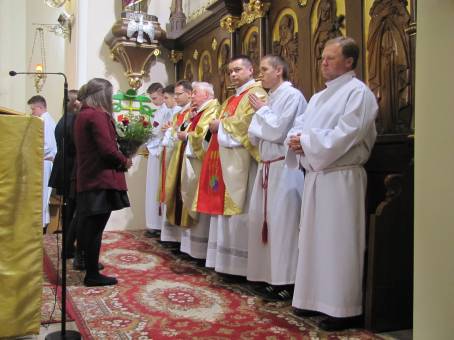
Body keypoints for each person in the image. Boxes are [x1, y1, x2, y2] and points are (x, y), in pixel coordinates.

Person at [286, 37, 378, 331]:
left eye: (330, 58)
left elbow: (346, 134)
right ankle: (314, 299)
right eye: (322, 58)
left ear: (349, 62)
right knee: (314, 240)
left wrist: (307, 143)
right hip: (317, 174)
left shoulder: (357, 94)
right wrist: (298, 140)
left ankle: (342, 308)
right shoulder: (319, 97)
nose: (323, 63)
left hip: (341, 176)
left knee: (338, 242)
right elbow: (301, 125)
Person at [195, 55, 267, 281]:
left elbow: (249, 124)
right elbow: (214, 124)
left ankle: (240, 266)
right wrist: (215, 127)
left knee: (240, 209)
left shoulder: (257, 94)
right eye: (230, 72)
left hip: (242, 162)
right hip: (224, 159)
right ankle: (225, 263)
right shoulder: (229, 100)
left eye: (237, 70)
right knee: (225, 214)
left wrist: (221, 126)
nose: (233, 75)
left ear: (250, 70)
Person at [246, 55, 307, 300]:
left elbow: (279, 131)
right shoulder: (271, 98)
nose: (260, 74)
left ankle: (288, 281)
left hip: (285, 168)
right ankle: (270, 276)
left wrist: (262, 113)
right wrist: (264, 118)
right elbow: (253, 133)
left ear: (279, 70)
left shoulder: (292, 96)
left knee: (284, 225)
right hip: (267, 166)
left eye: (264, 69)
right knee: (264, 222)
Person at [74, 78, 132, 286]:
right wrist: (125, 160)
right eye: (109, 94)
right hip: (100, 178)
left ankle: (87, 264)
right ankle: (92, 274)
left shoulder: (83, 114)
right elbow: (107, 150)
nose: (111, 98)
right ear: (102, 95)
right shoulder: (97, 116)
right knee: (95, 228)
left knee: (89, 225)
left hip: (90, 176)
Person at [178, 82, 219, 260]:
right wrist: (189, 122)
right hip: (193, 161)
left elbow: (204, 136)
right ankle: (191, 248)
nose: (192, 96)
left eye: (195, 93)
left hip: (201, 163)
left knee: (198, 200)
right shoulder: (200, 110)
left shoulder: (212, 109)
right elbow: (189, 129)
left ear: (207, 95)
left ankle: (199, 250)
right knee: (190, 198)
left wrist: (188, 136)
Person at [48, 90, 81, 259]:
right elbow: (77, 146)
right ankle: (69, 247)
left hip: (62, 166)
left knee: (68, 210)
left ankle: (68, 247)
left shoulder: (63, 118)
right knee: (74, 211)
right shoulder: (74, 119)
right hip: (70, 168)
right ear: (75, 102)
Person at [160, 80, 192, 244]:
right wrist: (169, 130)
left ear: (189, 93)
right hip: (174, 154)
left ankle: (179, 239)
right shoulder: (179, 113)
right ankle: (173, 237)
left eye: (179, 94)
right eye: (176, 94)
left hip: (184, 156)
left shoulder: (189, 112)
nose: (176, 97)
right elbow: (175, 131)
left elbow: (183, 132)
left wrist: (171, 132)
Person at [27, 95, 57, 232]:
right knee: (40, 197)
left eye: (33, 109)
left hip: (44, 164)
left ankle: (40, 228)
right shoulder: (45, 120)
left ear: (40, 107)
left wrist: (31, 151)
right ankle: (39, 227)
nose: (31, 112)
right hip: (43, 162)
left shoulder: (44, 121)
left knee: (42, 196)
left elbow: (49, 146)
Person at [145, 82, 168, 238]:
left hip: (160, 153)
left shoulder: (168, 111)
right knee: (152, 188)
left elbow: (164, 133)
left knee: (158, 189)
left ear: (161, 93)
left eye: (155, 97)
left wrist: (155, 147)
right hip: (154, 152)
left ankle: (159, 225)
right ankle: (153, 224)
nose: (153, 101)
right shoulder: (159, 110)